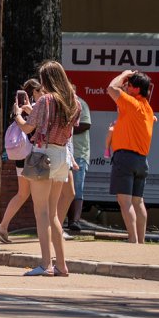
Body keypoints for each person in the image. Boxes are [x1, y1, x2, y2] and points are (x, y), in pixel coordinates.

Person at [16, 60, 81, 276]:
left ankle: (46, 264)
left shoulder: (45, 100)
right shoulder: (73, 101)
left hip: (43, 154)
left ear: (46, 80)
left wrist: (17, 114)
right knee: (53, 213)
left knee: (41, 211)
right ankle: (61, 264)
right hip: (63, 155)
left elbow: (28, 127)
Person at [107, 69, 156, 244]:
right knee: (138, 201)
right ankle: (140, 241)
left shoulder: (132, 103)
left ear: (136, 89)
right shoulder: (148, 109)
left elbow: (111, 88)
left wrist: (123, 74)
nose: (126, 87)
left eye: (129, 85)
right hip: (142, 160)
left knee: (125, 201)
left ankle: (132, 240)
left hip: (125, 158)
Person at [0, 78, 42, 242]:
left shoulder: (17, 108)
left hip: (21, 155)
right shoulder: (35, 107)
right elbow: (36, 126)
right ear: (35, 92)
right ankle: (44, 231)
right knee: (38, 195)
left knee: (23, 193)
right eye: (40, 91)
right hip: (32, 154)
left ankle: (3, 226)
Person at [64, 92, 93, 236]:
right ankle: (65, 220)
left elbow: (86, 124)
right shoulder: (61, 103)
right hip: (64, 153)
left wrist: (67, 127)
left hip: (79, 154)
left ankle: (74, 221)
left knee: (76, 189)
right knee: (65, 190)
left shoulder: (80, 103)